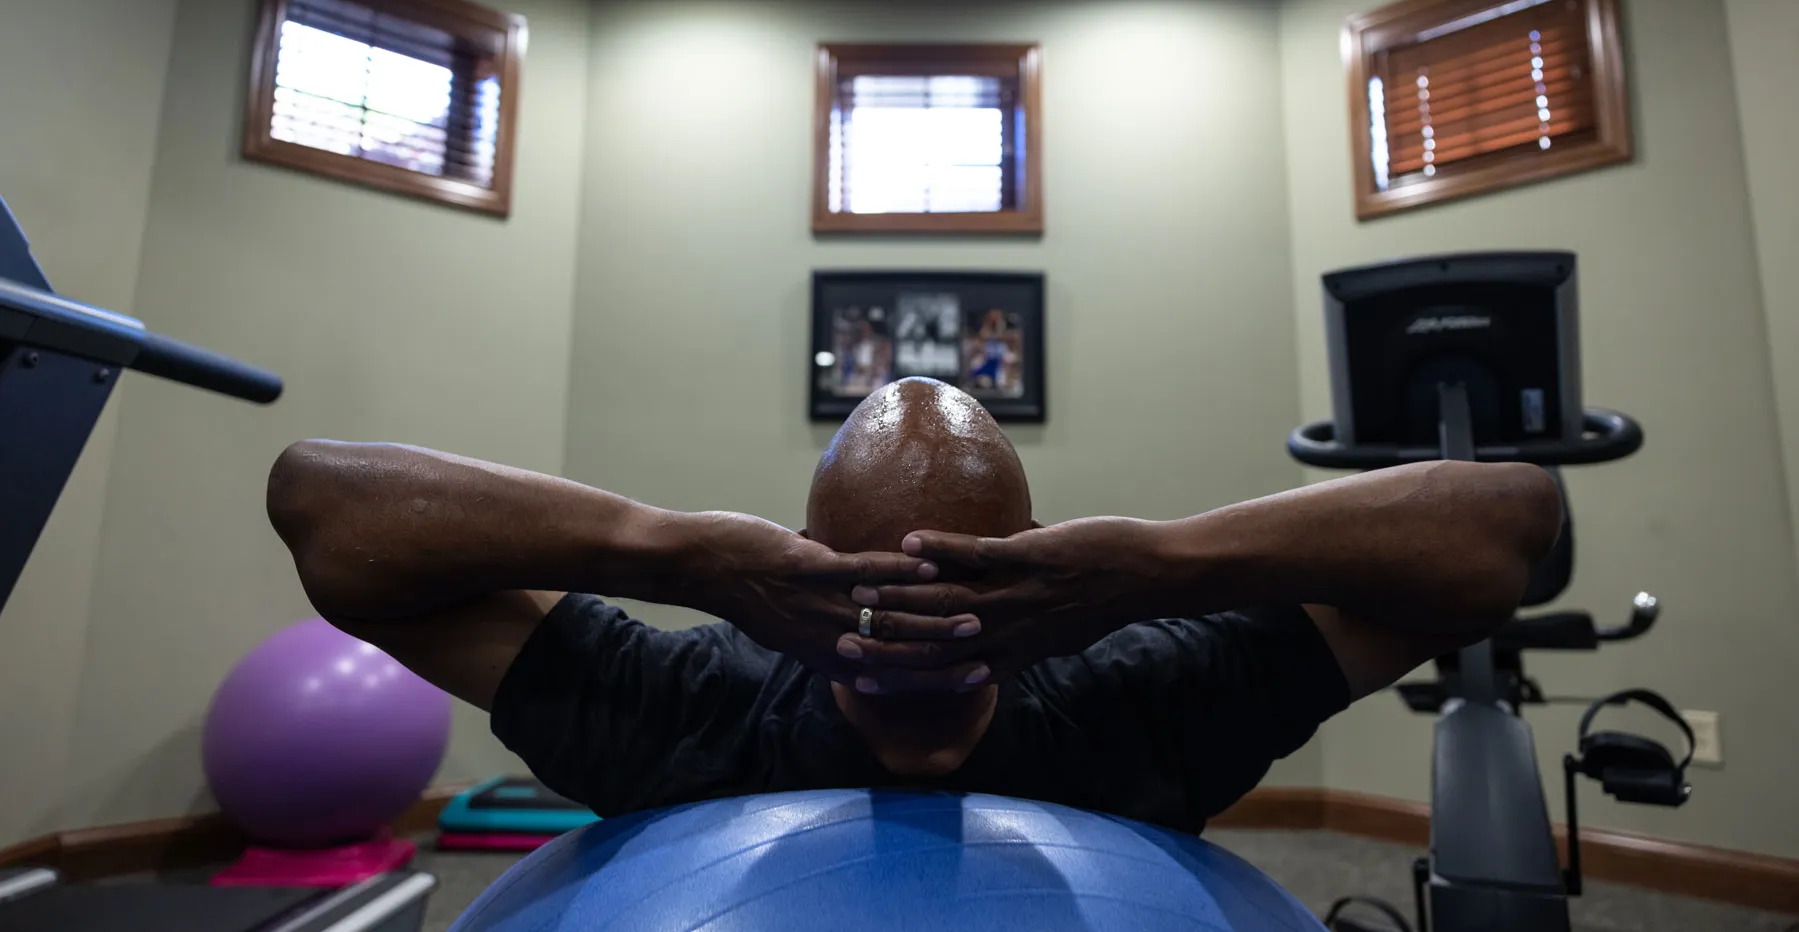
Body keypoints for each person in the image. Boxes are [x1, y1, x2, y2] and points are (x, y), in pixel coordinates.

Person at [265, 378, 1560, 834]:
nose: (917, 635)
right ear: (792, 574)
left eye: (971, 586)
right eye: (864, 589)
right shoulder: (690, 708)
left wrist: (1159, 563)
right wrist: (673, 553)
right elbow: (325, 507)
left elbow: (1507, 532)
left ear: (1043, 575)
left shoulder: (1140, 696)